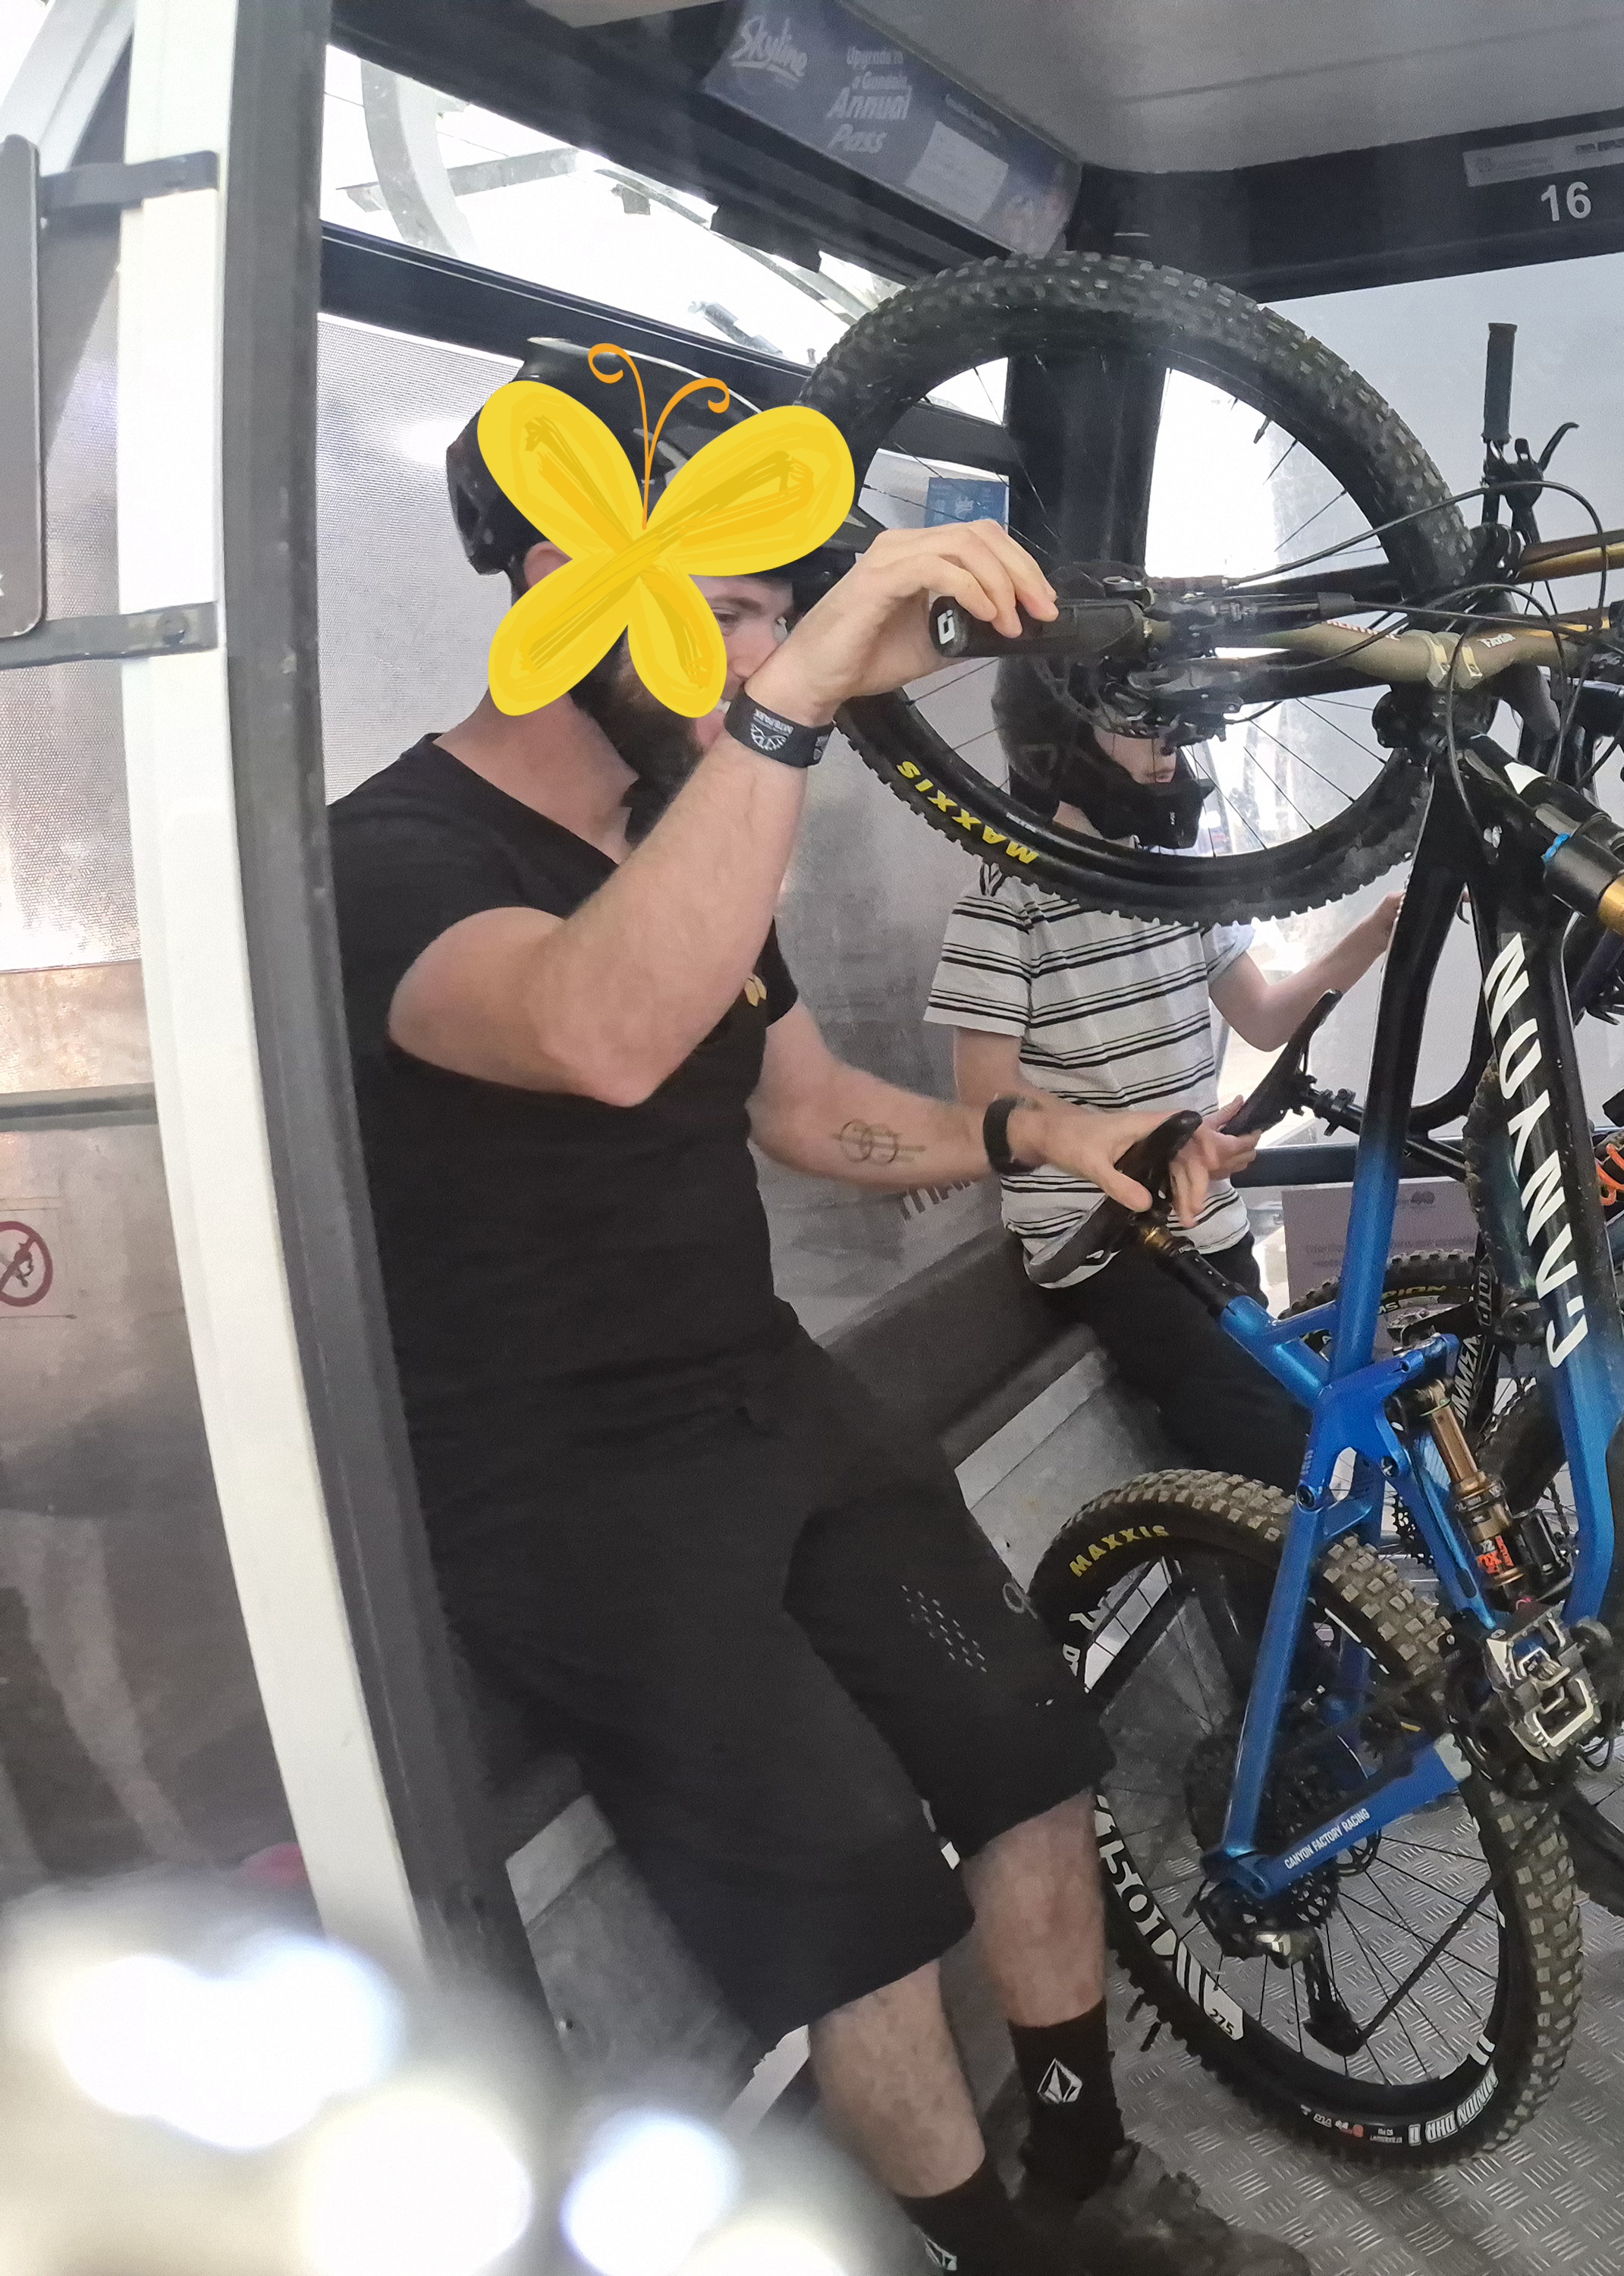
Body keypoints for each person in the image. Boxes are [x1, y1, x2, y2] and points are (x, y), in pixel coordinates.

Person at [329, 340, 1304, 2276]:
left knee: (1029, 1745)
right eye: (725, 610)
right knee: (862, 1894)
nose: (756, 654)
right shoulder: (391, 859)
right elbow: (602, 1030)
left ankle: (1087, 2170)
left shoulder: (676, 824)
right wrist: (781, 716)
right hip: (560, 1479)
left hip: (757, 1394)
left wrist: (1035, 1131)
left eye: (774, 613)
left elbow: (803, 1110)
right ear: (558, 583)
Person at [928, 657, 1398, 1488]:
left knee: (1294, 1435)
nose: (1168, 748)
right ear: (1059, 736)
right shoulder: (1005, 904)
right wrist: (1145, 1138)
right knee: (1267, 1453)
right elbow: (984, 1095)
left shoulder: (1175, 883)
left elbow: (1262, 1015)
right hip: (1104, 1241)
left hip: (1209, 1219)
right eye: (1137, 725)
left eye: (1171, 724)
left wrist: (1379, 932)